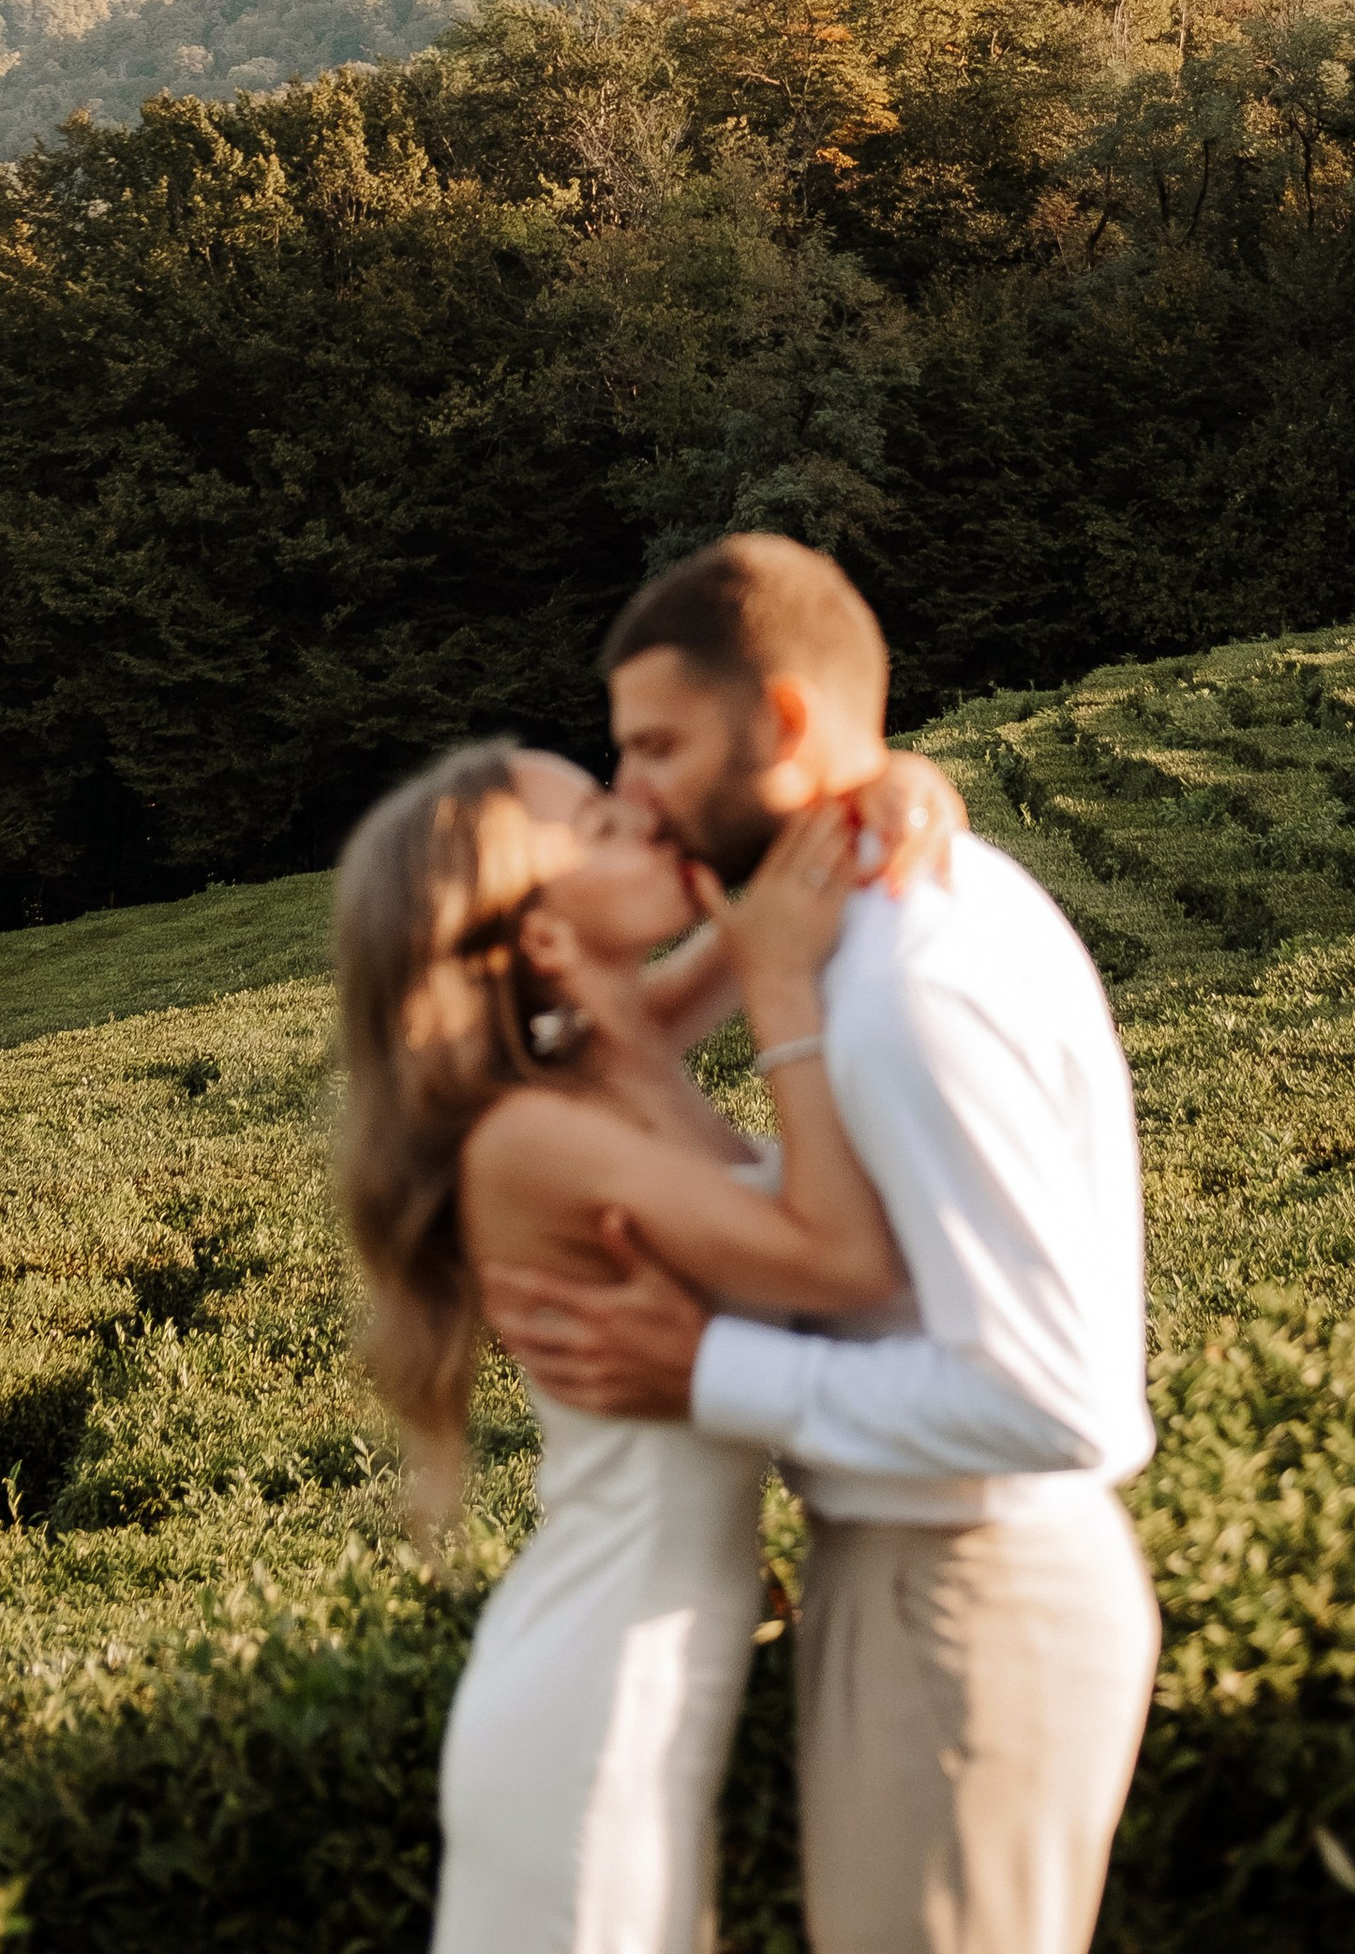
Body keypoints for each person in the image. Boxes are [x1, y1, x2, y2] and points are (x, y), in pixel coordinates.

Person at [482, 534, 1159, 1954]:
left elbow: (1057, 1400)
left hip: (968, 1595)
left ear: (783, 723)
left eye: (656, 748)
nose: (634, 796)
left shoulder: (910, 987)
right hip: (911, 1582)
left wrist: (710, 1369)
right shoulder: (852, 931)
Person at [335, 727, 964, 1954]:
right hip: (597, 1695)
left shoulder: (612, 1055)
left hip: (646, 1664)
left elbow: (757, 920)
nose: (649, 818)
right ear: (543, 936)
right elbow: (844, 1259)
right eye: (604, 826)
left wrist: (873, 789)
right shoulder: (536, 1135)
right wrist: (782, 995)